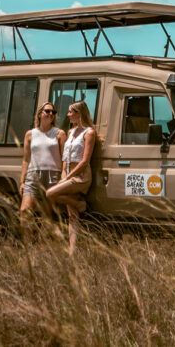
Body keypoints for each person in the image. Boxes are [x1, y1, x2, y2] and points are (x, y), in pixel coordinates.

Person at [45, 101, 97, 254]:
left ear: (79, 113)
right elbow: (65, 157)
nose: (68, 115)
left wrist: (67, 177)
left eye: (70, 112)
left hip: (80, 175)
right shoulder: (71, 132)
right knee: (72, 215)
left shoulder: (89, 133)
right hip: (67, 172)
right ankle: (72, 251)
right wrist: (63, 174)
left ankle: (80, 204)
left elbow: (85, 161)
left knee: (49, 193)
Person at [19, 103, 67, 228]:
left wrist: (63, 177)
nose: (51, 114)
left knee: (48, 215)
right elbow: (26, 159)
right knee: (24, 211)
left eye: (53, 112)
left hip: (52, 176)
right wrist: (22, 182)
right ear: (40, 114)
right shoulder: (30, 134)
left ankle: (44, 244)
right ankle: (27, 244)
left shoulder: (59, 133)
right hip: (33, 175)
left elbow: (64, 158)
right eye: (47, 111)